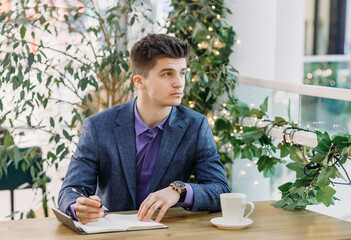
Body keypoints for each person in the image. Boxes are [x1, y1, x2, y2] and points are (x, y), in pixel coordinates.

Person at [58, 33, 230, 224]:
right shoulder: (99, 126)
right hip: (112, 233)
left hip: (168, 232)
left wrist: (179, 191)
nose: (179, 83)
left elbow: (221, 190)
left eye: (182, 72)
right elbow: (70, 190)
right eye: (167, 73)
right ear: (139, 82)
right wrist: (77, 207)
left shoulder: (195, 126)